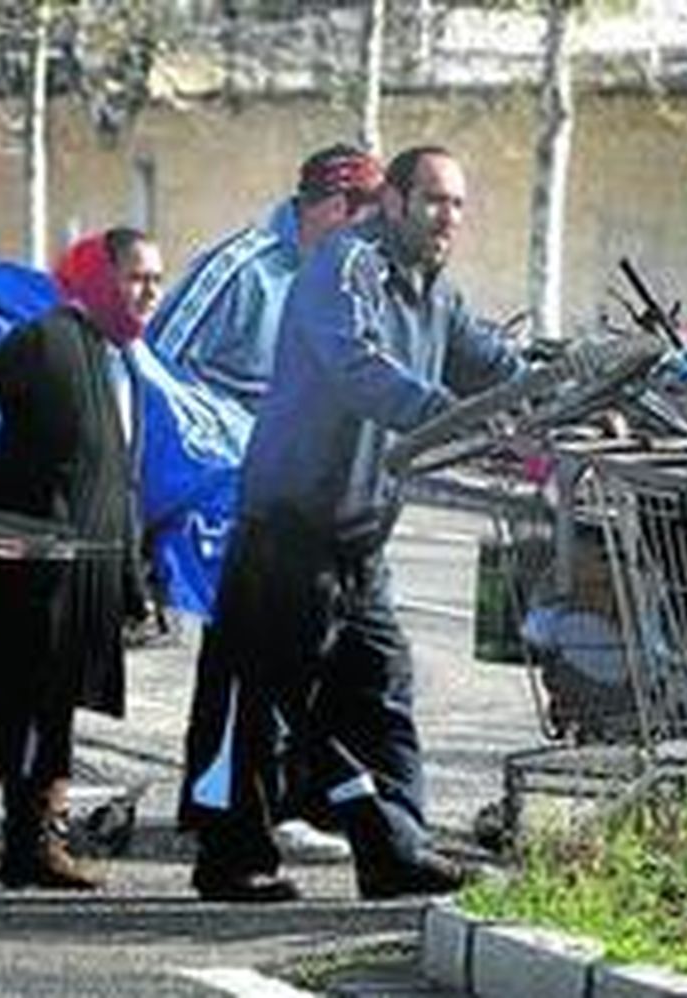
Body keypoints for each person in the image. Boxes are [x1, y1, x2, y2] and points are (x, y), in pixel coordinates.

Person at [178, 146, 525, 902]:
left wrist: (572, 392)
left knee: (380, 692)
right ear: (392, 202)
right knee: (268, 703)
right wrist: (446, 417)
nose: (448, 218)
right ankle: (232, 856)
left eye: (459, 205)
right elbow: (355, 365)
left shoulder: (437, 295)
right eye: (433, 200)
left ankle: (392, 852)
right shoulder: (345, 266)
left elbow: (495, 364)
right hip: (289, 530)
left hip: (361, 537)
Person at [0, 227, 162, 889]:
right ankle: (33, 844)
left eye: (157, 278)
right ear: (99, 279)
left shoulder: (121, 359)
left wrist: (133, 582)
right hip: (24, 565)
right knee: (33, 709)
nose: (151, 292)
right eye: (137, 277)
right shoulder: (48, 339)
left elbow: (118, 482)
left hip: (80, 570)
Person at [150, 144, 384, 864]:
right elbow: (155, 362)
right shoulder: (245, 269)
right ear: (334, 211)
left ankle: (280, 796)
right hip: (227, 487)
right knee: (252, 656)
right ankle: (236, 805)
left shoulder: (350, 277)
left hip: (307, 494)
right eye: (369, 222)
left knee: (311, 652)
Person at [151, 144, 385, 413]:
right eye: (372, 223)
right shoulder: (240, 272)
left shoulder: (354, 282)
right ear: (337, 208)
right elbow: (156, 371)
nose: (374, 240)